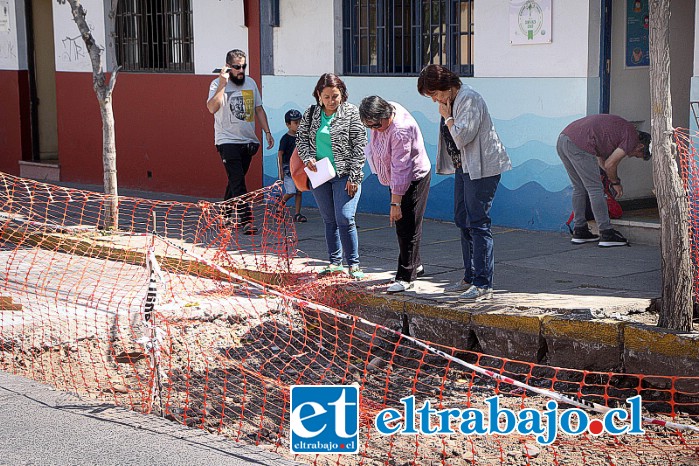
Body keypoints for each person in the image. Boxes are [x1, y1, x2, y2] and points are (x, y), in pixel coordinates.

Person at [417, 64, 512, 301]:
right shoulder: (453, 99)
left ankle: (483, 283)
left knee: (478, 222)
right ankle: (470, 277)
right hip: (464, 168)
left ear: (446, 87)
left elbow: (461, 137)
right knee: (463, 219)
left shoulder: (468, 98)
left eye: (435, 94)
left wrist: (447, 117)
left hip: (481, 169)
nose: (435, 100)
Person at [296, 73, 368, 279]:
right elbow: (301, 140)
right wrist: (308, 156)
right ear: (319, 95)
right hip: (320, 173)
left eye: (335, 96)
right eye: (326, 97)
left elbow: (359, 147)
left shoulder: (352, 113)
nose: (331, 101)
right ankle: (335, 263)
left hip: (345, 174)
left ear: (342, 95)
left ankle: (353, 264)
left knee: (345, 217)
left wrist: (354, 177)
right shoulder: (311, 114)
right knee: (329, 219)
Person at [359, 96, 431, 294]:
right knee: (404, 225)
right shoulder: (388, 110)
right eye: (369, 126)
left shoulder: (400, 130)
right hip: (394, 178)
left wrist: (395, 204)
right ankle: (415, 265)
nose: (374, 130)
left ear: (385, 116)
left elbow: (402, 168)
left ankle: (406, 276)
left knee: (407, 226)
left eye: (376, 125)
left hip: (413, 177)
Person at [556, 114, 651, 247]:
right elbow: (610, 164)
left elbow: (602, 160)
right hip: (579, 144)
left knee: (579, 188)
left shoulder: (619, 132)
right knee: (595, 189)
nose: (632, 156)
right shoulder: (632, 137)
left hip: (563, 140)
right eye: (637, 155)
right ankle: (606, 233)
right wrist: (615, 182)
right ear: (640, 146)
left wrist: (609, 177)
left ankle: (580, 230)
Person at [206, 49, 274, 235]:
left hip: (248, 140)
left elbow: (258, 109)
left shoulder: (250, 83)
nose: (241, 70)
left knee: (235, 181)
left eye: (243, 66)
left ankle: (224, 214)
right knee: (238, 181)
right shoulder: (216, 84)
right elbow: (212, 108)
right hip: (226, 140)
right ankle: (246, 220)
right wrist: (222, 84)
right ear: (228, 67)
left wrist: (267, 132)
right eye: (237, 67)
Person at [277, 109, 307, 223]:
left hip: (299, 169)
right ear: (288, 125)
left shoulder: (302, 138)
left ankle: (297, 213)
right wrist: (281, 171)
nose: (298, 125)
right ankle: (280, 205)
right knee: (291, 192)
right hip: (288, 170)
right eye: (295, 123)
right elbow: (280, 154)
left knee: (299, 191)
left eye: (300, 122)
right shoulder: (285, 139)